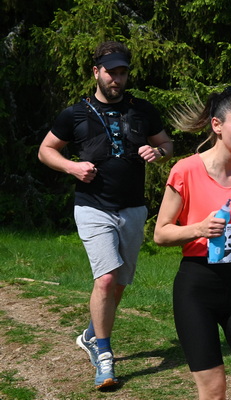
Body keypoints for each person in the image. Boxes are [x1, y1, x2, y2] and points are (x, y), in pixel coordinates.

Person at [38, 40, 173, 389]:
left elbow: (167, 144)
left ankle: (91, 334)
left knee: (120, 282)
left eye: (122, 72)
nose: (117, 78)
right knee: (107, 279)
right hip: (92, 206)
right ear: (96, 72)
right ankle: (104, 355)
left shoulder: (142, 109)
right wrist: (72, 167)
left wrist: (158, 152)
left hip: (133, 208)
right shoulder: (75, 114)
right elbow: (46, 150)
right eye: (111, 72)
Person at [153, 87, 231, 400]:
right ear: (217, 125)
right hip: (198, 289)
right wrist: (199, 228)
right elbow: (161, 233)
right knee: (213, 392)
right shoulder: (185, 171)